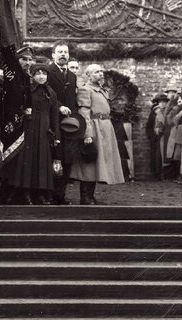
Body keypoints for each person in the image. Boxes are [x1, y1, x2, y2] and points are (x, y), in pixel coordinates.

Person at [69, 64, 124, 205]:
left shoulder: (101, 91)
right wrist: (87, 134)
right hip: (94, 128)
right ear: (89, 75)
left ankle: (91, 195)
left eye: (101, 71)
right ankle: (85, 197)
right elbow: (84, 114)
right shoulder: (85, 90)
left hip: (105, 129)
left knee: (98, 164)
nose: (100, 74)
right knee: (90, 163)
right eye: (96, 72)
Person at [9, 59, 61, 204]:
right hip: (29, 129)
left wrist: (56, 135)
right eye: (37, 73)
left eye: (43, 73)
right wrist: (24, 111)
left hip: (44, 131)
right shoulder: (27, 90)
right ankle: (26, 193)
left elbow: (55, 116)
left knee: (43, 162)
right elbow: (17, 106)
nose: (41, 76)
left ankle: (41, 193)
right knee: (28, 161)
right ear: (32, 76)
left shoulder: (51, 93)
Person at [45, 43, 80, 204]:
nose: (63, 55)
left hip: (69, 124)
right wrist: (60, 107)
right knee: (53, 158)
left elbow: (73, 100)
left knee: (67, 158)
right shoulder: (48, 72)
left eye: (65, 52)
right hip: (53, 121)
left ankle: (61, 195)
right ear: (53, 55)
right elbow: (47, 94)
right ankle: (49, 195)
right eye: (59, 52)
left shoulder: (72, 76)